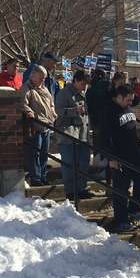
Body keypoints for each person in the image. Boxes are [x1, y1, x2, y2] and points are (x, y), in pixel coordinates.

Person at [104, 85, 140, 233]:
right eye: (128, 100)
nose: (130, 103)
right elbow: (105, 137)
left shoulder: (128, 108)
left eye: (131, 100)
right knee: (121, 189)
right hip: (120, 156)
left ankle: (134, 208)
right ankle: (121, 220)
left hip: (135, 153)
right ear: (119, 97)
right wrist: (111, 157)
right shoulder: (109, 112)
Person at [55, 70, 93, 201]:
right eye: (82, 84)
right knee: (69, 164)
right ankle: (70, 191)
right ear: (75, 81)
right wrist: (74, 110)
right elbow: (58, 111)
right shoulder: (64, 93)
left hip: (82, 134)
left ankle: (81, 188)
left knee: (84, 162)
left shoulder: (84, 93)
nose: (84, 87)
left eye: (86, 85)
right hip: (68, 134)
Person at [21, 65, 57, 187]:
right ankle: (35, 177)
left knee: (44, 153)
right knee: (35, 153)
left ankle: (43, 176)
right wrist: (29, 112)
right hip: (35, 125)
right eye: (41, 77)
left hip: (47, 125)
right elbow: (22, 103)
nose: (43, 80)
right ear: (34, 75)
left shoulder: (45, 89)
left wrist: (53, 115)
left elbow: (51, 103)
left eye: (44, 78)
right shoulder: (26, 88)